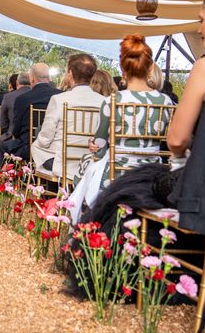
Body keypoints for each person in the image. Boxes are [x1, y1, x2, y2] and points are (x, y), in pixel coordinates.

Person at [78, 0, 205, 333]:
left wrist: (198, 143)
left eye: (201, 20)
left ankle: (133, 272)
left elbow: (175, 141)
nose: (199, 28)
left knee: (136, 184)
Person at [69, 35, 173, 222]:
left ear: (123, 69)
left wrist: (94, 146)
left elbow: (100, 148)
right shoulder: (166, 101)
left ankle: (88, 221)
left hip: (116, 173)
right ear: (149, 67)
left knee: (86, 164)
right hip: (152, 172)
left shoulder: (113, 101)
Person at [31, 54, 105, 179]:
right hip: (91, 161)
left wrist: (38, 142)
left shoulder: (58, 100)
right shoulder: (104, 101)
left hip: (62, 163)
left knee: (36, 145)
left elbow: (45, 139)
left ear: (70, 73)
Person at [0, 63, 61, 160]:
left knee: (1, 145)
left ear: (31, 78)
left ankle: (10, 174)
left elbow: (15, 131)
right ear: (49, 78)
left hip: (28, 147)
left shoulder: (23, 99)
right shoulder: (61, 96)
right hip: (55, 148)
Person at [0, 72, 30, 155]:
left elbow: (3, 124)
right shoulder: (35, 95)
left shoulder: (9, 97)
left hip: (13, 136)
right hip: (34, 138)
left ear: (17, 82)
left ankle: (3, 167)